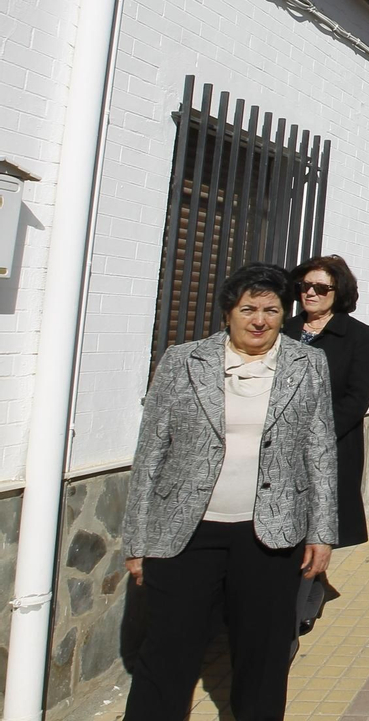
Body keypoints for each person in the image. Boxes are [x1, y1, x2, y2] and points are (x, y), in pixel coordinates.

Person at [122, 263, 337, 721]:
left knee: (264, 651)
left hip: (270, 534)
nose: (259, 320)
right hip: (185, 531)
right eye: (248, 309)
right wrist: (137, 540)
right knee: (168, 648)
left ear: (284, 314)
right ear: (228, 313)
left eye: (271, 310)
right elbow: (151, 452)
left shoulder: (308, 364)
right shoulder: (183, 361)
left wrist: (322, 533)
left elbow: (319, 451)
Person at [283, 255, 369, 634]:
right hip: (279, 447)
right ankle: (303, 591)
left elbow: (357, 398)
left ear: (339, 293)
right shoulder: (284, 329)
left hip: (332, 446)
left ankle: (300, 601)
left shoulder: (359, 336)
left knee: (316, 525)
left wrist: (313, 436)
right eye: (305, 286)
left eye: (321, 288)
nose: (310, 293)